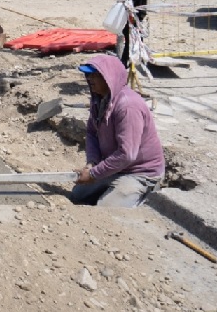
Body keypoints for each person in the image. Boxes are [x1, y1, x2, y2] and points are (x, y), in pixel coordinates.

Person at [70, 54, 165, 207]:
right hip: (117, 168)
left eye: (95, 76)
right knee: (78, 194)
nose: (90, 80)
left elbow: (127, 154)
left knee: (107, 208)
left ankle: (146, 193)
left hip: (140, 173)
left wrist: (94, 174)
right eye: (88, 75)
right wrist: (92, 163)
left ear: (109, 78)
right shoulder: (99, 99)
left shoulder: (127, 107)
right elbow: (92, 133)